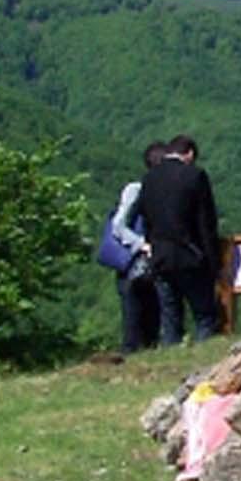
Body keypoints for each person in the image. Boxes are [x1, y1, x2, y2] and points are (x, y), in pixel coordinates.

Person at [139, 132, 223, 343]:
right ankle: (205, 359)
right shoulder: (195, 176)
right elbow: (206, 223)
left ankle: (170, 358)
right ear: (190, 153)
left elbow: (147, 218)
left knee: (170, 316)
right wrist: (214, 261)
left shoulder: (149, 179)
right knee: (204, 315)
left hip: (160, 255)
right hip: (190, 256)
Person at [109, 144, 164, 353]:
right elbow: (118, 225)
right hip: (133, 263)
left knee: (152, 318)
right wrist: (142, 244)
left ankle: (143, 355)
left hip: (151, 263)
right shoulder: (137, 190)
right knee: (133, 319)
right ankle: (130, 356)